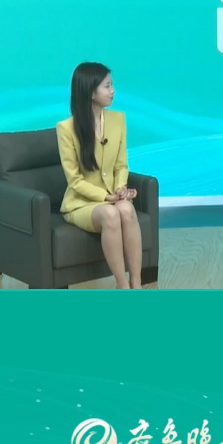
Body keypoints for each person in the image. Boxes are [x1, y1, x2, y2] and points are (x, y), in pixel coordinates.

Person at [57, 63, 143, 290]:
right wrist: (106, 198)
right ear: (91, 92)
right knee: (111, 214)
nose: (113, 91)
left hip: (112, 196)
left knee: (126, 209)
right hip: (82, 203)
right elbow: (74, 180)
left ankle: (137, 283)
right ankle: (122, 285)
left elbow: (121, 165)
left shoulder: (118, 119)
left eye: (111, 85)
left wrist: (121, 188)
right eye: (107, 86)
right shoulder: (66, 129)